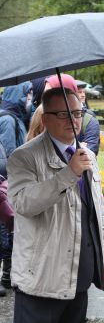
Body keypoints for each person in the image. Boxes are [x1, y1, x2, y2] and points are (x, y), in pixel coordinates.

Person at [8, 88, 104, 323]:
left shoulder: (87, 155)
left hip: (79, 275)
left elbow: (96, 211)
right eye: (63, 114)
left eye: (77, 113)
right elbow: (23, 203)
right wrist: (68, 173)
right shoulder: (24, 157)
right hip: (42, 279)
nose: (73, 120)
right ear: (45, 119)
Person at [0, 81, 32, 293]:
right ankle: (5, 276)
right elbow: (9, 154)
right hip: (9, 182)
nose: (30, 98)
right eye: (27, 93)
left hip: (12, 181)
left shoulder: (16, 118)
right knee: (7, 230)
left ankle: (8, 274)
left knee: (10, 231)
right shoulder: (8, 120)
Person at [45, 75, 100, 155]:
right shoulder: (41, 116)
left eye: (83, 92)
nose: (83, 95)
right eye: (80, 92)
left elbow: (90, 149)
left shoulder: (89, 119)